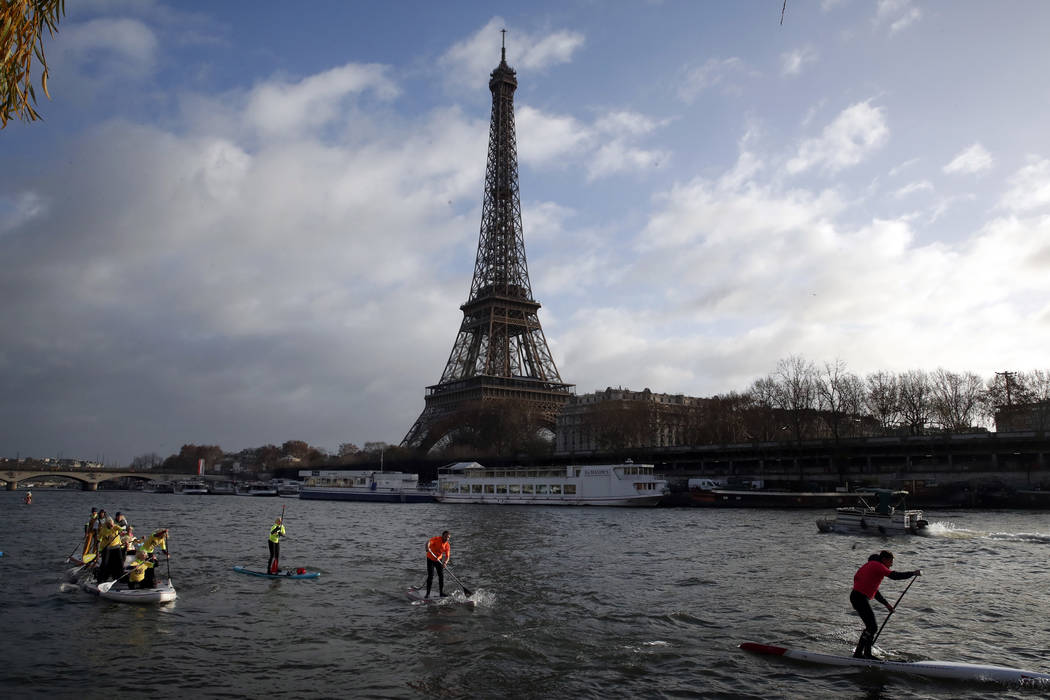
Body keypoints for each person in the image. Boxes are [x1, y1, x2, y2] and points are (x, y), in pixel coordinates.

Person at [851, 550, 921, 658]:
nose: (891, 564)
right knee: (872, 627)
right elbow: (894, 575)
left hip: (857, 597)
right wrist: (912, 573)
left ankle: (863, 653)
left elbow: (875, 591)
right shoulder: (877, 565)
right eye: (890, 562)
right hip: (859, 598)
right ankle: (862, 654)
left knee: (871, 627)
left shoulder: (871, 566)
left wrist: (887, 605)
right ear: (884, 559)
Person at [425, 531, 451, 598]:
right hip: (430, 559)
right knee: (430, 576)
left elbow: (447, 557)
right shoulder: (436, 539)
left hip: (438, 560)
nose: (446, 538)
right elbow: (428, 542)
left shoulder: (447, 545)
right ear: (442, 536)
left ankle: (441, 593)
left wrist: (445, 563)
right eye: (445, 536)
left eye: (448, 537)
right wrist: (427, 547)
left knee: (441, 576)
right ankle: (427, 594)